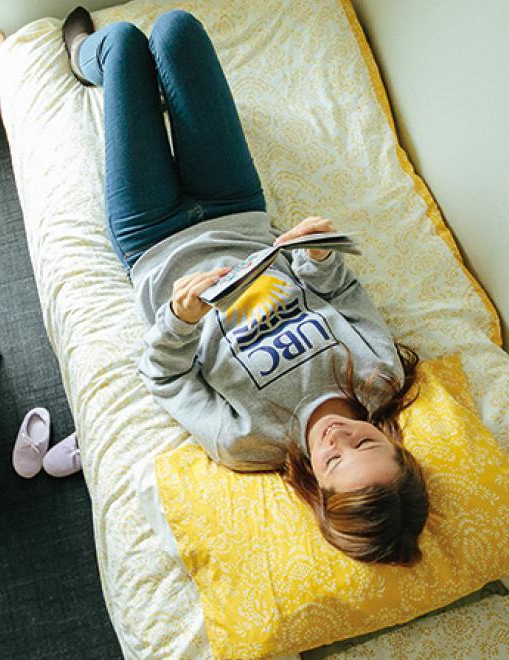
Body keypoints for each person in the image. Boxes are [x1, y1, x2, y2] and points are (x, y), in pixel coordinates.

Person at [63, 8, 428, 564]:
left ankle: (82, 56)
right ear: (394, 444)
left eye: (334, 460)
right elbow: (343, 294)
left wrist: (181, 320)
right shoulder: (379, 378)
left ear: (316, 490)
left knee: (121, 45)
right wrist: (317, 256)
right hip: (237, 210)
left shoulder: (249, 442)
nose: (338, 438)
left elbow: (165, 376)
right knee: (176, 31)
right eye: (366, 443)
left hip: (153, 240)